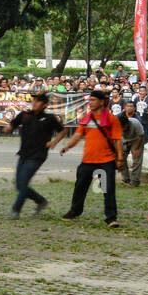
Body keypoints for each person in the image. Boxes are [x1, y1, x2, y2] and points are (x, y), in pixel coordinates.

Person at [57, 89, 123, 227]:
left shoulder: (111, 119)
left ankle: (111, 217)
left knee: (107, 189)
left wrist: (120, 159)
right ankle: (75, 211)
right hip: (87, 161)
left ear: (101, 102)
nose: (90, 103)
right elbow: (77, 135)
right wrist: (67, 146)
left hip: (106, 161)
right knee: (80, 187)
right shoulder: (87, 118)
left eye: (93, 100)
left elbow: (117, 140)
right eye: (89, 100)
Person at [7, 92, 64, 218]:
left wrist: (54, 142)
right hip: (23, 153)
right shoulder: (25, 115)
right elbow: (12, 125)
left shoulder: (49, 118)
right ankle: (41, 201)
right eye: (33, 100)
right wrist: (9, 128)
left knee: (23, 183)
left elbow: (62, 131)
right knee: (19, 185)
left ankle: (16, 210)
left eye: (37, 101)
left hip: (38, 155)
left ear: (44, 105)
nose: (34, 103)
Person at [120, 100, 144, 186]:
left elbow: (141, 135)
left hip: (136, 139)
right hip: (124, 140)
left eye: (131, 106)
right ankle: (125, 179)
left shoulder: (136, 122)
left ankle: (135, 181)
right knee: (121, 157)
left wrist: (136, 149)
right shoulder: (117, 122)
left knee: (137, 159)